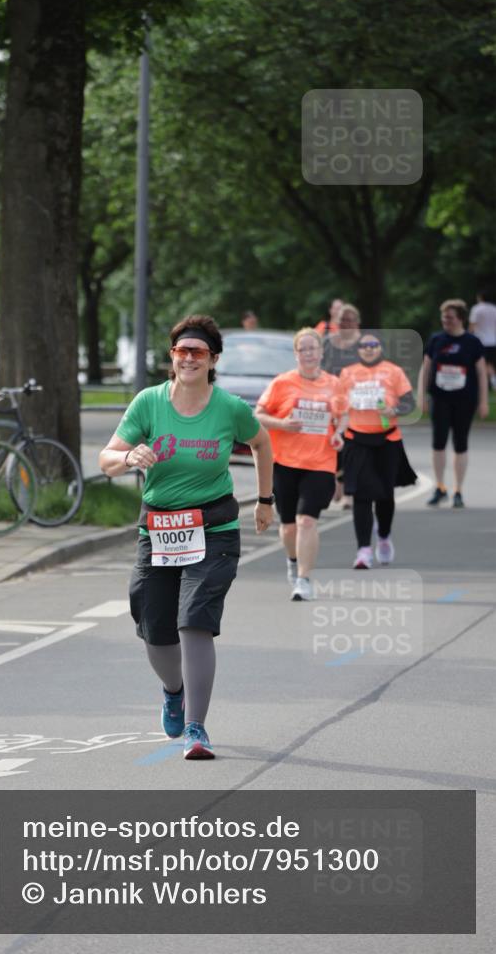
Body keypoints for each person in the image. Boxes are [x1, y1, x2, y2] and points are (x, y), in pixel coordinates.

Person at [99, 314, 274, 760]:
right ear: (172, 358)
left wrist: (266, 499)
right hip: (159, 529)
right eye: (182, 351)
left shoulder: (229, 408)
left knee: (194, 619)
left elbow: (261, 443)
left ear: (213, 360)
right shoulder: (148, 403)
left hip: (213, 527)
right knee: (155, 630)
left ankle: (197, 728)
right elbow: (106, 457)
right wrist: (127, 457)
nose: (189, 358)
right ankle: (173, 691)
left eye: (198, 352)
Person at [255, 327, 343, 600]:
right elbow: (258, 414)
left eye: (312, 348)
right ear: (296, 354)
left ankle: (304, 579)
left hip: (320, 463)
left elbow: (344, 416)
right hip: (285, 462)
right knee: (289, 525)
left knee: (307, 522)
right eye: (302, 349)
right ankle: (292, 561)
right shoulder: (282, 383)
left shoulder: (334, 384)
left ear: (321, 352)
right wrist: (282, 423)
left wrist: (339, 433)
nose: (308, 353)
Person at [338, 332, 417, 568]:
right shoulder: (347, 373)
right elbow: (339, 406)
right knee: (361, 496)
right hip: (356, 439)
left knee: (385, 495)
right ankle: (363, 550)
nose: (369, 348)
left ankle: (383, 536)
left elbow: (408, 402)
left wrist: (394, 410)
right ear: (358, 350)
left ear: (380, 348)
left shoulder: (393, 371)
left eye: (373, 345)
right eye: (364, 345)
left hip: (387, 440)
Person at [418, 299, 489, 508]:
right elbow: (426, 368)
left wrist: (483, 401)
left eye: (449, 317)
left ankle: (458, 490)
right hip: (440, 399)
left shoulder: (472, 342)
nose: (445, 321)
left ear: (460, 318)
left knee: (461, 444)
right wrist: (421, 395)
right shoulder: (436, 340)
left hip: (464, 400)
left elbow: (481, 373)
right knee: (438, 443)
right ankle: (440, 487)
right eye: (443, 317)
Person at [321, 303, 362, 509]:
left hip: (356, 403)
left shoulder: (364, 345)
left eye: (350, 320)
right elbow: (318, 370)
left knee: (351, 447)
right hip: (331, 402)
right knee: (333, 445)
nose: (346, 323)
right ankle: (336, 483)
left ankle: (348, 492)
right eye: (342, 320)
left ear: (357, 323)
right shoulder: (327, 343)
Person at [469, 290, 496, 390]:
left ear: (480, 297)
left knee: (480, 363)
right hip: (493, 341)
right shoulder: (494, 309)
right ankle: (492, 382)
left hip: (480, 340)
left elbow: (472, 326)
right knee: (489, 363)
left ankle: (484, 383)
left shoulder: (477, 309)